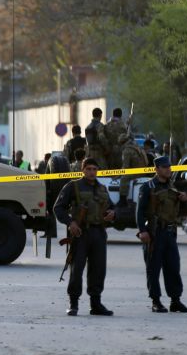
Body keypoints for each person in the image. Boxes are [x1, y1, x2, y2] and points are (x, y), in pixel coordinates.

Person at [53, 157, 116, 316]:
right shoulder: (72, 187)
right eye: (88, 169)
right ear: (83, 170)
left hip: (99, 233)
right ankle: (73, 303)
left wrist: (112, 214)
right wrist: (70, 223)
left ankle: (96, 304)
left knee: (98, 269)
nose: (92, 172)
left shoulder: (102, 189)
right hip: (80, 233)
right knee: (77, 269)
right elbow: (58, 208)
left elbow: (112, 208)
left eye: (94, 169)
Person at [136, 155, 187, 314]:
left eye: (169, 166)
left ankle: (175, 300)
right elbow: (139, 211)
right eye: (165, 167)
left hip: (170, 232)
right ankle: (156, 301)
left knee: (173, 266)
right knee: (153, 268)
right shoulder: (147, 187)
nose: (169, 169)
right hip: (155, 232)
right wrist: (142, 231)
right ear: (157, 169)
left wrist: (183, 198)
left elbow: (176, 204)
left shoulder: (172, 186)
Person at [118, 133, 149, 207]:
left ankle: (123, 200)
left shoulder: (127, 150)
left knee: (124, 178)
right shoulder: (137, 147)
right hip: (144, 171)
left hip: (137, 172)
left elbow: (125, 168)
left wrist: (117, 175)